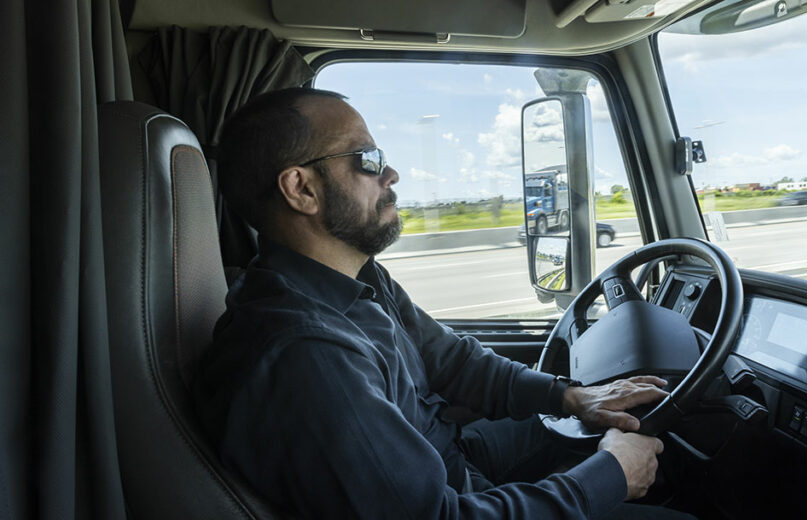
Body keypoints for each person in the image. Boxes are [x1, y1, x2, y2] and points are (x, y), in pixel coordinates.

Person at [193, 87, 694, 519]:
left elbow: (452, 360)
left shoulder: (358, 277)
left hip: (453, 459)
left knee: (606, 418)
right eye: (366, 159)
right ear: (301, 189)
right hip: (453, 496)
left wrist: (568, 396)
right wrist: (609, 476)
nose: (390, 173)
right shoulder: (304, 354)